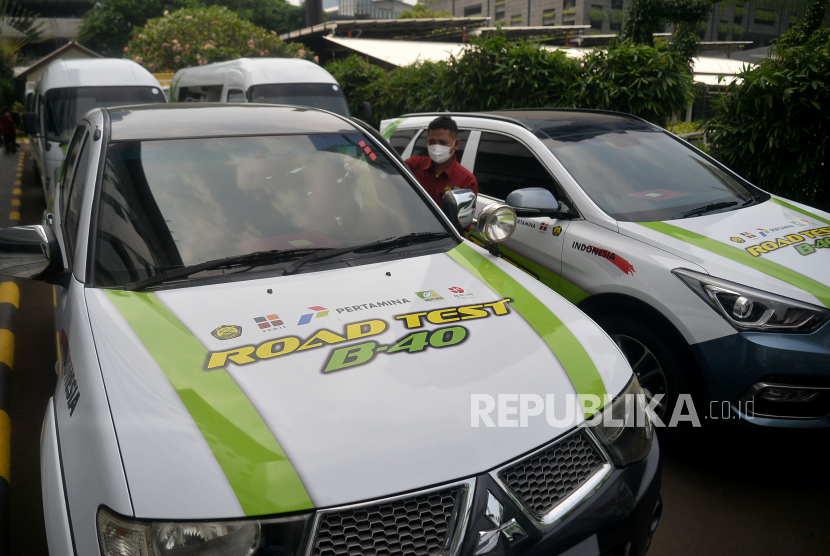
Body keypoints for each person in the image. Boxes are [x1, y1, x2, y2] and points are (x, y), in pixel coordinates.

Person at [405, 116, 477, 207]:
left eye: (443, 142)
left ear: (456, 144)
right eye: (432, 142)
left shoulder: (466, 180)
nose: (436, 147)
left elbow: (463, 219)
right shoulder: (414, 165)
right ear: (427, 142)